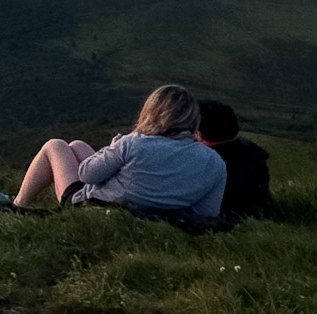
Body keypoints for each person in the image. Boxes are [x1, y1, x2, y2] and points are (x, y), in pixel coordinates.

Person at [16, 85, 227, 220]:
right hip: (157, 215)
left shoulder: (134, 143)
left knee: (56, 145)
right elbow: (208, 213)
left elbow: (87, 175)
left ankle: (19, 204)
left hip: (93, 206)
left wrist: (115, 145)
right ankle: (20, 202)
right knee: (78, 145)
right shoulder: (214, 161)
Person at [199, 99, 274, 221]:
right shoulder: (254, 156)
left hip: (225, 218)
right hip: (255, 215)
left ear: (200, 134)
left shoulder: (210, 163)